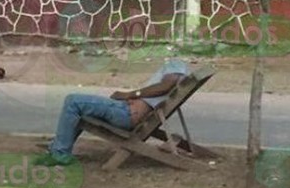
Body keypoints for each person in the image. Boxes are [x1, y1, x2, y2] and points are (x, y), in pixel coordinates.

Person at [36, 58, 191, 166]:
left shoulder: (176, 64)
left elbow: (167, 85)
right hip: (127, 111)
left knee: (73, 101)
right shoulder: (177, 67)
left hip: (126, 114)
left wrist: (130, 94)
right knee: (79, 106)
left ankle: (60, 153)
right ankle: (58, 146)